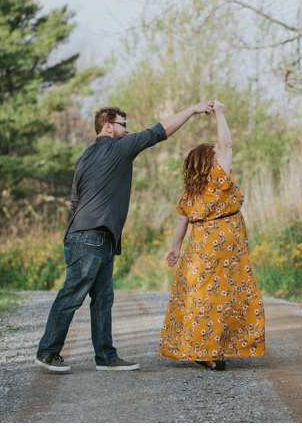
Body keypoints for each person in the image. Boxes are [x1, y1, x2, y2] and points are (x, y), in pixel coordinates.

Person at [36, 100, 216, 373]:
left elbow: (75, 201)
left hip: (93, 236)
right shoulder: (117, 148)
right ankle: (47, 352)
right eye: (123, 125)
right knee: (72, 295)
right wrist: (192, 110)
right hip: (91, 237)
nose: (127, 130)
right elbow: (159, 131)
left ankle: (106, 357)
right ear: (107, 127)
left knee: (103, 300)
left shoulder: (83, 157)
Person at [158, 100, 266, 370]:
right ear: (210, 162)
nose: (222, 154)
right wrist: (219, 113)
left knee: (203, 298)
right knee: (225, 297)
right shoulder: (219, 178)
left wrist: (175, 249)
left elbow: (182, 222)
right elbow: (228, 145)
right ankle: (211, 350)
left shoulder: (191, 192)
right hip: (224, 254)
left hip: (200, 250)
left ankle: (206, 349)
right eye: (216, 153)